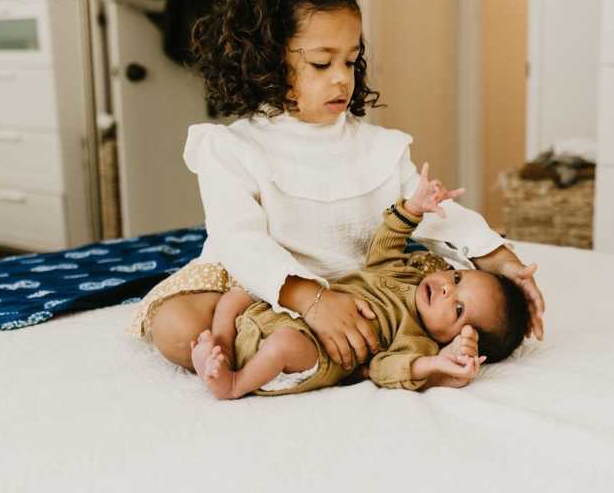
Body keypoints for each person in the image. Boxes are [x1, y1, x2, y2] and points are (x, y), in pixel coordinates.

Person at [131, 0, 545, 375]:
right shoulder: (230, 148)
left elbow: (435, 215)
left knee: (465, 303)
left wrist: (501, 261)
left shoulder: (379, 148)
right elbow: (241, 244)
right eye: (322, 62)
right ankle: (302, 343)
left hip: (363, 289)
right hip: (261, 284)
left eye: (350, 60)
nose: (342, 78)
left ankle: (322, 349)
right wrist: (311, 300)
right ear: (267, 59)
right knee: (176, 328)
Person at [189, 164, 530, 398]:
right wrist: (412, 209)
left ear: (458, 338)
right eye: (456, 277)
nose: (445, 288)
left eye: (456, 307)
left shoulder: (416, 340)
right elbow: (386, 244)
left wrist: (437, 364)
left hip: (315, 353)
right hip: (297, 313)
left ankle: (233, 384)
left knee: (284, 344)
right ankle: (218, 346)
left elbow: (387, 369)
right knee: (239, 292)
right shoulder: (404, 273)